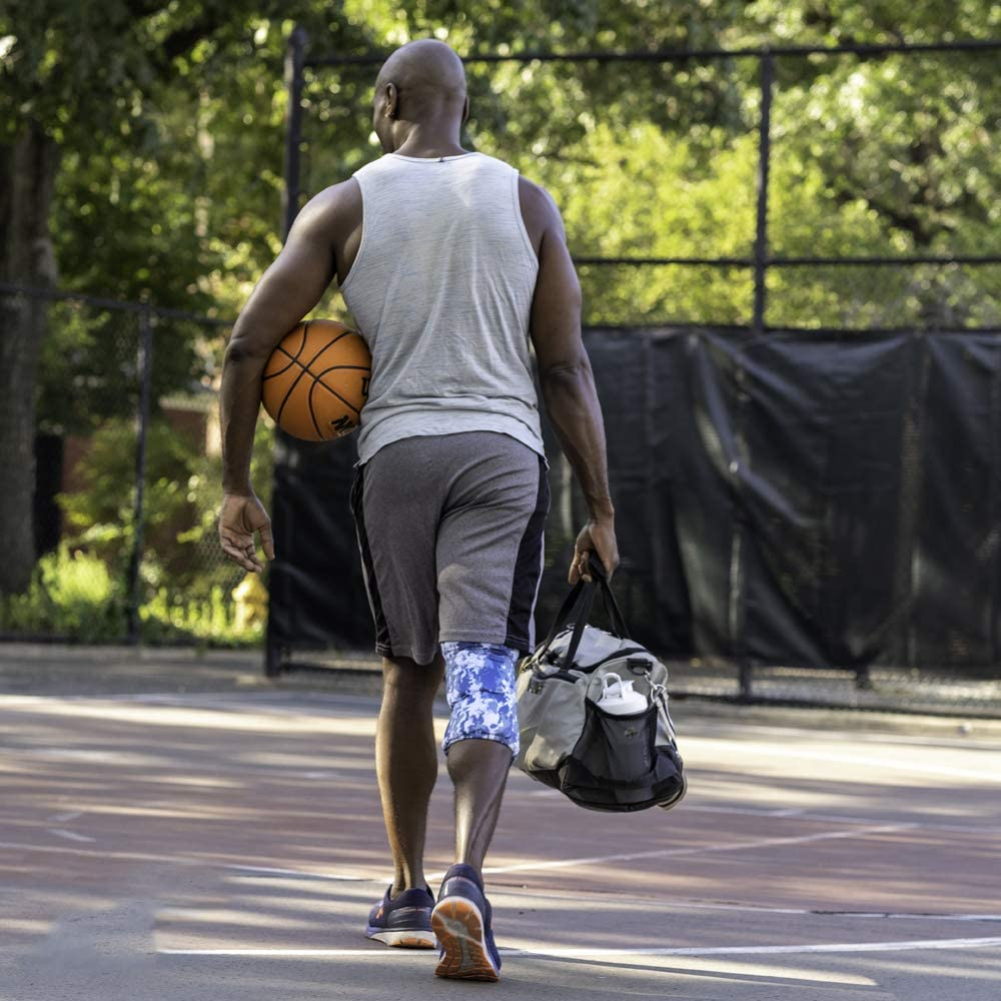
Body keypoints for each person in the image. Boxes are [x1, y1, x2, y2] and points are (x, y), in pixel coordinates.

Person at [217, 38, 618, 982]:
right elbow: (564, 366)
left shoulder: (344, 204)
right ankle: (466, 878)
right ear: (462, 103)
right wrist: (601, 508)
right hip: (500, 452)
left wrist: (236, 484)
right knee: (482, 665)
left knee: (408, 670)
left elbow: (245, 347)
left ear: (390, 99)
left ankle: (403, 891)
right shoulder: (526, 201)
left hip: (397, 452)